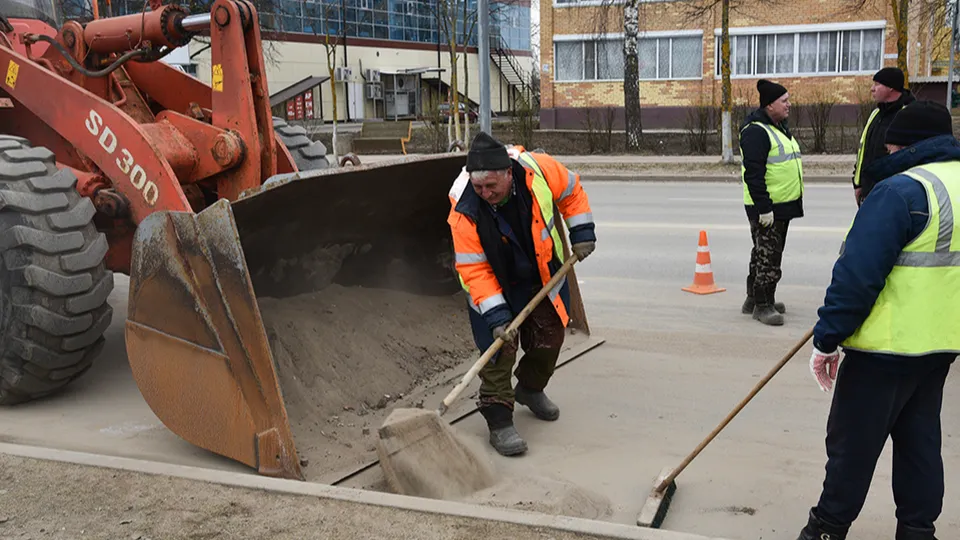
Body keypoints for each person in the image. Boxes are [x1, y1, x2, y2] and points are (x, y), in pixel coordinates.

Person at [798, 100, 959, 540]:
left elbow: (857, 274)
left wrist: (827, 338)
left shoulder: (900, 192)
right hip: (939, 346)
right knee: (920, 445)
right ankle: (917, 531)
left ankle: (825, 530)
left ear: (903, 145)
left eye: (890, 144)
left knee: (852, 449)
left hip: (885, 350)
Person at [446, 131, 597, 456]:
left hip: (540, 273)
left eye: (491, 186)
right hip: (492, 286)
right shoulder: (464, 209)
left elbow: (571, 189)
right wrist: (498, 317)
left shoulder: (536, 170)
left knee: (550, 338)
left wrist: (581, 230)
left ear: (507, 173)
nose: (485, 193)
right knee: (498, 352)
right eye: (479, 187)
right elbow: (474, 271)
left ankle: (530, 388)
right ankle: (499, 422)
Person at [738, 79, 804, 326]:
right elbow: (753, 174)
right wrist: (764, 208)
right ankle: (762, 306)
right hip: (768, 207)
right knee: (769, 257)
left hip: (781, 204)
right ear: (769, 105)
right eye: (784, 101)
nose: (789, 105)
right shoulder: (757, 131)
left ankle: (753, 299)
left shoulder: (778, 127)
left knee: (762, 253)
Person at [851, 67, 915, 205]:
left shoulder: (908, 114)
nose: (872, 89)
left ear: (891, 88)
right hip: (869, 192)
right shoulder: (875, 114)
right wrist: (858, 184)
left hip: (895, 193)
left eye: (877, 84)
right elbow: (863, 153)